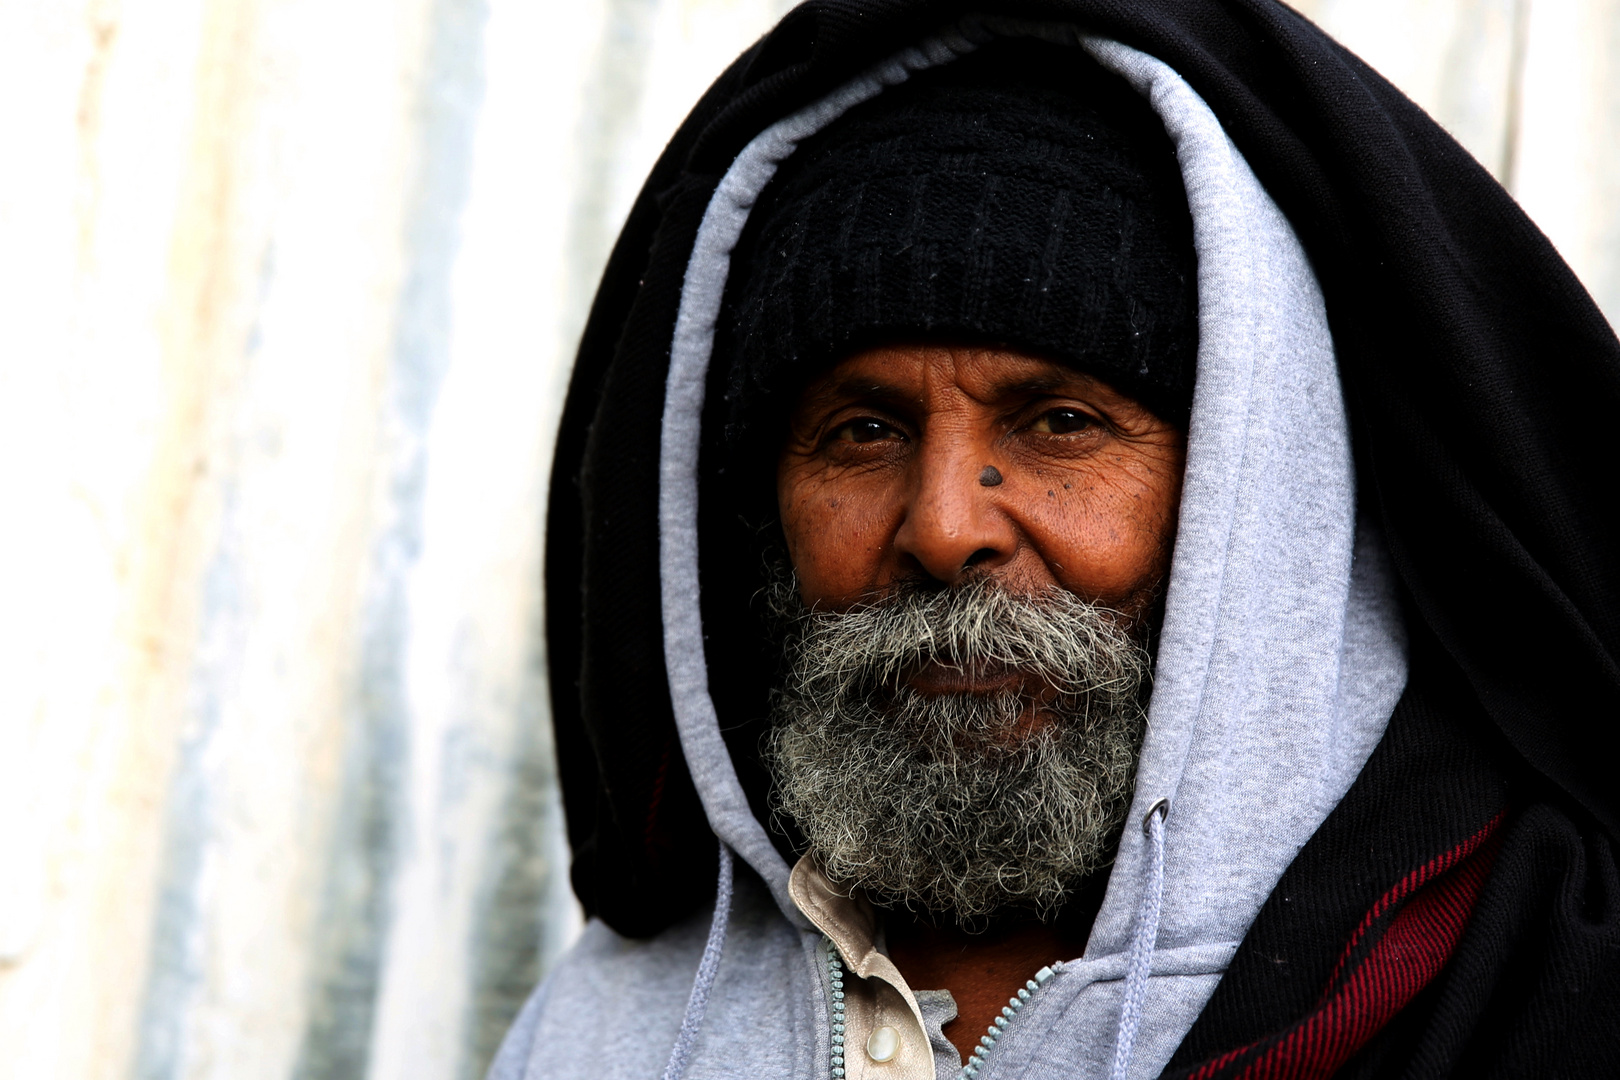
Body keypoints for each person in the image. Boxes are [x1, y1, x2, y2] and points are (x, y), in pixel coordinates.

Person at [491, 3, 1620, 1078]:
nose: (944, 526)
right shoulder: (608, 1023)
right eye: (863, 430)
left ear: (1258, 491)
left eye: (1062, 424)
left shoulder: (1521, 985)